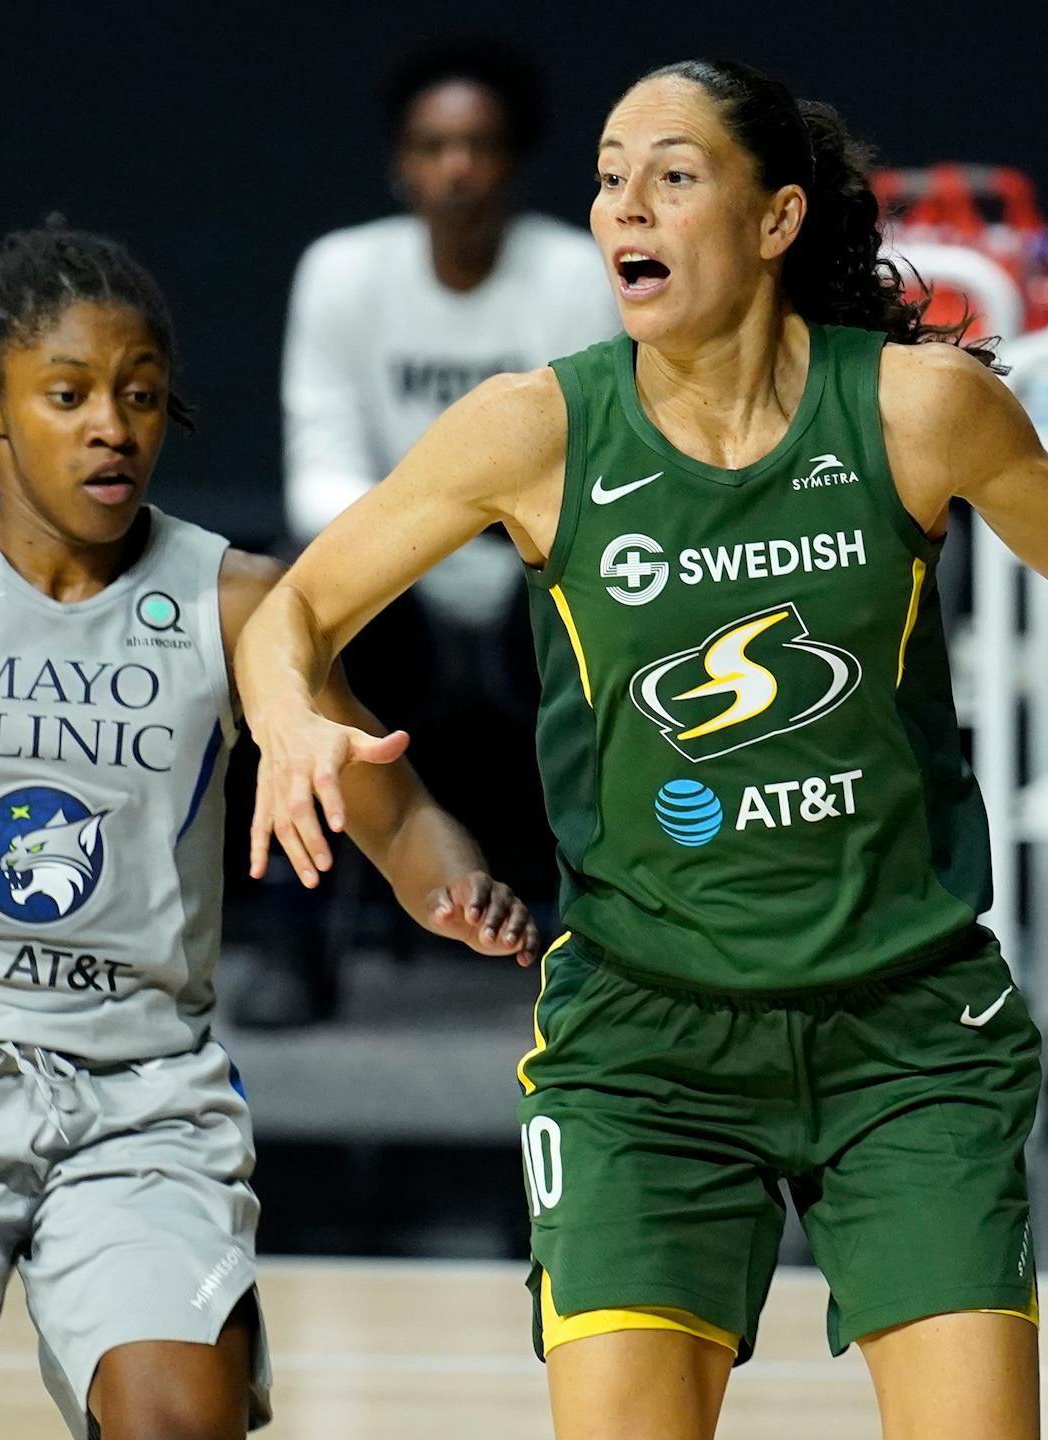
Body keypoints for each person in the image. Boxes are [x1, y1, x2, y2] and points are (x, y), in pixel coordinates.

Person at [236, 59, 1048, 1439]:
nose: (626, 202)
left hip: (910, 1036)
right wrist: (287, 718)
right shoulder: (534, 429)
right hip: (646, 1045)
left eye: (673, 175)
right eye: (611, 175)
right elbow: (296, 612)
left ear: (775, 218)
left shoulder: (918, 409)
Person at [0, 220, 538, 1440]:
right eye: (66, 395)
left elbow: (396, 816)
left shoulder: (238, 600)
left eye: (137, 395)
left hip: (141, 1097)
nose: (109, 426)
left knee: (178, 1427)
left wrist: (460, 889)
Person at [265, 40, 617, 1023]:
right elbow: (320, 475)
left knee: (619, 614)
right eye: (433, 146)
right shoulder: (340, 272)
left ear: (513, 162)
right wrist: (433, 536)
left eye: (478, 145)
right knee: (299, 628)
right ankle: (293, 947)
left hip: (539, 574)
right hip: (391, 582)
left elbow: (590, 466)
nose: (456, 167)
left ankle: (622, 952)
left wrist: (484, 530)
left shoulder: (576, 275)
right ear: (401, 164)